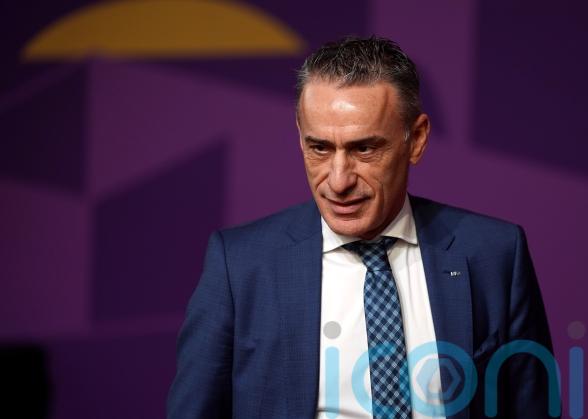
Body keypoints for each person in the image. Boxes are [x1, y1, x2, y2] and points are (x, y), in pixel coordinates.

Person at [167, 36, 557, 419]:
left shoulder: (494, 254)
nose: (338, 181)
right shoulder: (240, 265)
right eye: (320, 148)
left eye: (364, 149)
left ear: (417, 139)